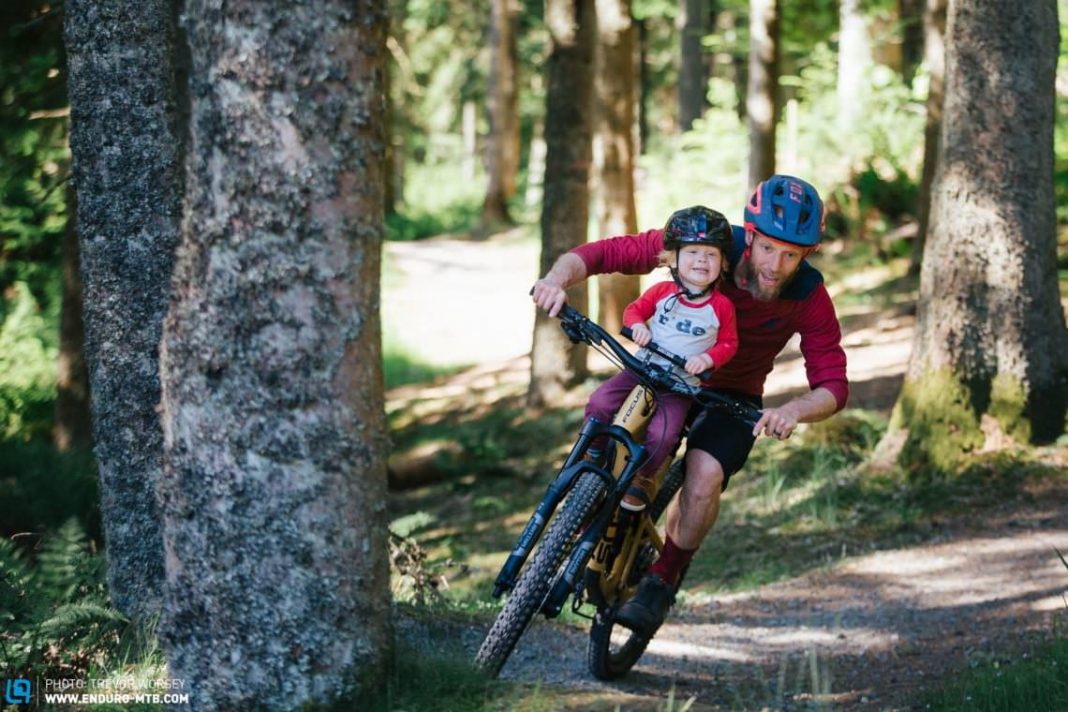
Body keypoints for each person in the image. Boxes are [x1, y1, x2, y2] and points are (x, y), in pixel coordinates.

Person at [531, 175, 848, 636]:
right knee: (613, 419)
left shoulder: (809, 297)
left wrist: (793, 411)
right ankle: (581, 516)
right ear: (749, 236)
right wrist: (556, 280)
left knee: (705, 476)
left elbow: (834, 384)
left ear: (807, 255)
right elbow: (608, 253)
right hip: (665, 373)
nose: (776, 266)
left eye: (792, 255)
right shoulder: (708, 243)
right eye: (767, 249)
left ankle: (663, 580)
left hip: (731, 396)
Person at [584, 206, 738, 511]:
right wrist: (639, 326)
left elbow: (729, 343)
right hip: (643, 368)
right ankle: (594, 452)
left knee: (664, 435)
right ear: (673, 257)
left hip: (680, 384)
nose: (701, 261)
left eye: (711, 255)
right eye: (693, 252)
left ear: (722, 263)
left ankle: (643, 477)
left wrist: (708, 359)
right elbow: (634, 311)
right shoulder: (662, 292)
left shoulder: (721, 306)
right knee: (600, 402)